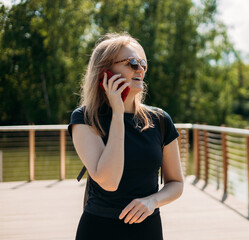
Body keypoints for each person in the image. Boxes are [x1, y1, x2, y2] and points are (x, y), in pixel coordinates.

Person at [68, 32, 184, 240]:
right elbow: (109, 181)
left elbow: (176, 183)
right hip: (99, 229)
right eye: (131, 63)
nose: (140, 69)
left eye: (142, 63)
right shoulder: (85, 118)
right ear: (105, 72)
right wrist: (118, 113)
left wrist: (152, 201)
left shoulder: (160, 120)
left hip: (147, 230)